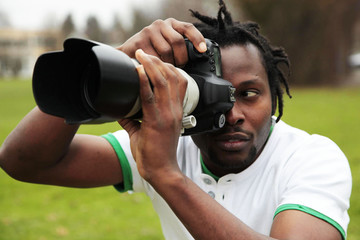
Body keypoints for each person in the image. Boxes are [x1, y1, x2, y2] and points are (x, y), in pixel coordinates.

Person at [0, 1, 352, 239]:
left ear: (274, 98)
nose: (231, 116)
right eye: (211, 96)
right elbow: (22, 161)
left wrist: (166, 175)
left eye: (247, 94)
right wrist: (116, 59)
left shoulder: (311, 157)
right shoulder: (172, 139)